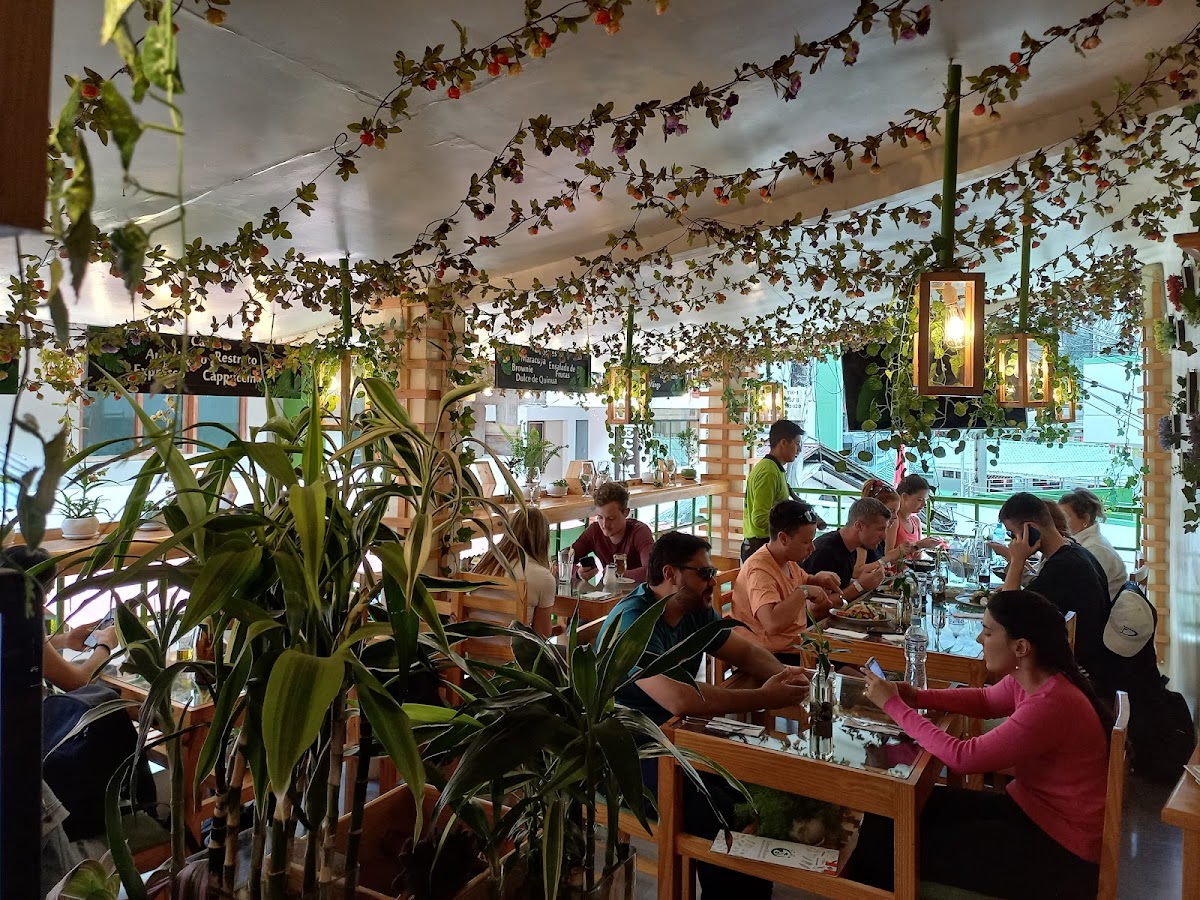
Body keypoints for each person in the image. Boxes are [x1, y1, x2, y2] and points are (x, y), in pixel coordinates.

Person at [849, 591, 1112, 899]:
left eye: (988, 632)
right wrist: (917, 696)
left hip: (1058, 849)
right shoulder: (1036, 676)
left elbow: (962, 757)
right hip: (1031, 811)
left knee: (890, 848)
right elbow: (987, 700)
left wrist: (894, 705)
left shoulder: (1051, 704)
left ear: (1021, 647)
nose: (979, 640)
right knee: (890, 812)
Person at [599, 531, 811, 900]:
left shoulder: (691, 611)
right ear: (671, 574)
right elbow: (680, 699)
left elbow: (743, 652)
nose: (712, 582)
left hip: (671, 736)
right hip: (621, 748)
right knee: (716, 807)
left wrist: (782, 674)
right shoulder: (636, 622)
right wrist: (762, 695)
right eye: (705, 573)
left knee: (751, 784)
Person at [998, 492, 1111, 689]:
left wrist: (1016, 560)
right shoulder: (1076, 552)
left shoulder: (1062, 567)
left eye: (1012, 534)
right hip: (1090, 664)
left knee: (1000, 658)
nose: (1012, 542)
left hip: (1077, 675)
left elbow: (1006, 614)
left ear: (1030, 530)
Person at [731, 500, 844, 660]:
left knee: (850, 657)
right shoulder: (759, 570)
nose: (812, 548)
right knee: (844, 668)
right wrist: (804, 591)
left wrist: (817, 579)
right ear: (783, 538)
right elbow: (772, 624)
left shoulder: (786, 559)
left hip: (796, 645)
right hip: (769, 655)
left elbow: (803, 579)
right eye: (806, 542)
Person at [474, 507, 556, 637]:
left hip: (470, 653)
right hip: (515, 655)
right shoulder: (543, 578)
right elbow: (542, 638)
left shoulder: (485, 564)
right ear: (544, 539)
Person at [800, 497, 891, 600]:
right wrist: (859, 586)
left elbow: (842, 586)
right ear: (859, 526)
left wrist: (871, 579)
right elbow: (816, 608)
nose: (884, 536)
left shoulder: (852, 548)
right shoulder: (826, 552)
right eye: (880, 529)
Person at [741, 419, 804, 562]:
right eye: (797, 444)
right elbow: (759, 519)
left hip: (765, 544)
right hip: (759, 546)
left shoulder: (774, 469)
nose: (799, 450)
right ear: (783, 443)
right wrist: (791, 525)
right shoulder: (768, 472)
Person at [570, 481, 654, 583]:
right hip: (607, 594)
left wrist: (613, 573)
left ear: (626, 513)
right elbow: (563, 560)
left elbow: (652, 570)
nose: (604, 525)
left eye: (611, 518)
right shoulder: (594, 531)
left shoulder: (640, 532)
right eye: (600, 517)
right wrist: (578, 573)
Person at [1058, 489, 1127, 600]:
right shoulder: (1089, 543)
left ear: (1085, 519)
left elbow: (1080, 592)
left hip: (1105, 613)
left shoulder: (1094, 549)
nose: (1060, 522)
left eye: (1065, 517)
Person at [859, 479, 913, 567]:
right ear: (874, 509)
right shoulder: (861, 536)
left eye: (897, 511)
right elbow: (857, 572)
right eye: (891, 511)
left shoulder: (878, 537)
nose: (895, 517)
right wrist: (890, 557)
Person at [894, 474, 943, 550]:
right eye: (919, 500)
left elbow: (917, 555)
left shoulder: (916, 521)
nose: (924, 504)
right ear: (905, 497)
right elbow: (887, 556)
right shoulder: (894, 521)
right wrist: (918, 545)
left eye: (925, 500)